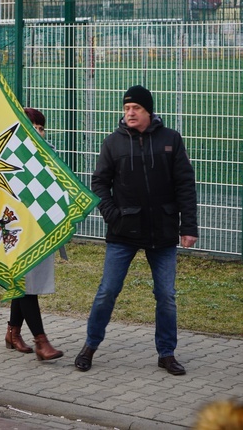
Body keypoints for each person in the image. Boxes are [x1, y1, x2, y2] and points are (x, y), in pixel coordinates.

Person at [74, 85, 198, 376]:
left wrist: (188, 226)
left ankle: (166, 353)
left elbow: (185, 185)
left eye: (136, 108)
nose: (130, 112)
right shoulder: (113, 143)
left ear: (148, 111)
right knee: (107, 291)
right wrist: (112, 215)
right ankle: (90, 346)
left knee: (166, 295)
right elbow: (99, 183)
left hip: (163, 232)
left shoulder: (171, 140)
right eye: (126, 108)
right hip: (123, 232)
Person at [4, 108, 63, 361]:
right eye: (33, 127)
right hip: (16, 228)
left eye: (41, 127)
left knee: (28, 282)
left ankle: (12, 332)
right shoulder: (8, 155)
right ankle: (42, 341)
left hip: (42, 227)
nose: (38, 131)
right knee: (27, 282)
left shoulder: (49, 153)